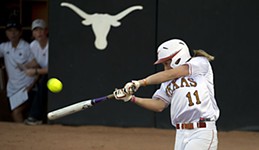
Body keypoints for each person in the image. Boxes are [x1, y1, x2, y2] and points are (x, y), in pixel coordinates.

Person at [113, 39, 220, 150]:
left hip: (202, 130)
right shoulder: (167, 81)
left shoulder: (200, 63)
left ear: (178, 56)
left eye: (167, 62)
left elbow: (172, 73)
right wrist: (131, 98)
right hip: (181, 133)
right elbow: (159, 105)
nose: (165, 67)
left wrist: (141, 82)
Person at [0, 19, 36, 122]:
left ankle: (25, 136)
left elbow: (36, 65)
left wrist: (31, 86)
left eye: (15, 30)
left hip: (26, 88)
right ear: (6, 32)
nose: (12, 33)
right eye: (9, 30)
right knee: (15, 114)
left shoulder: (27, 47)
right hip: (12, 90)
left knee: (16, 113)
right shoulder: (4, 47)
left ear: (20, 32)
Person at [24, 19, 49, 125]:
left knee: (44, 80)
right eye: (36, 30)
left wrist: (35, 71)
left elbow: (53, 68)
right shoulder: (33, 45)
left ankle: (35, 117)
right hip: (41, 75)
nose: (38, 33)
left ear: (46, 31)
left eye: (41, 29)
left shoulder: (52, 44)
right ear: (33, 33)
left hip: (52, 76)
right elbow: (35, 62)